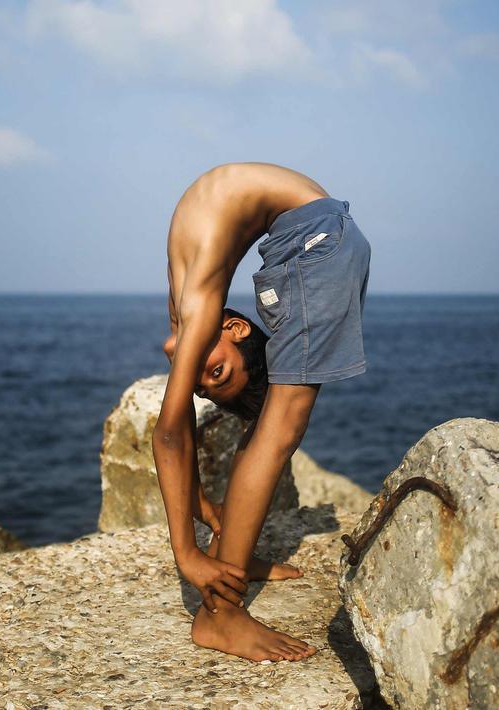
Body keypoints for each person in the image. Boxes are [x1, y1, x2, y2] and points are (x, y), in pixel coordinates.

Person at [155, 162, 371, 663]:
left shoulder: (197, 309)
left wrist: (194, 541)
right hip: (316, 236)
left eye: (215, 376)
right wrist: (198, 531)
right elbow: (174, 431)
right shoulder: (194, 312)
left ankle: (229, 560)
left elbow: (170, 433)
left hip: (314, 235)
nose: (200, 377)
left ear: (236, 328)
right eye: (215, 381)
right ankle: (222, 616)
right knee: (278, 428)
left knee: (275, 424)